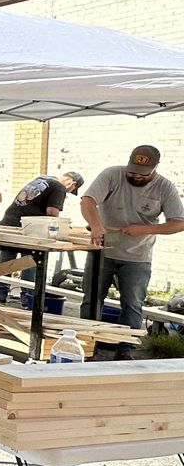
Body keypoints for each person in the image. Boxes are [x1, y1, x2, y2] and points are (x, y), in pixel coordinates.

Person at [80, 145, 184, 358]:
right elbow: (88, 200)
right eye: (132, 171)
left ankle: (124, 350)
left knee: (132, 304)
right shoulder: (112, 174)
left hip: (137, 257)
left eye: (142, 173)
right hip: (102, 252)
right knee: (91, 300)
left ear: (154, 169)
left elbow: (178, 222)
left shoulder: (164, 187)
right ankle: (87, 345)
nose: (135, 176)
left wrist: (145, 230)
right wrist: (96, 225)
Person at [0, 172, 83, 298]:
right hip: (28, 226)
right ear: (72, 183)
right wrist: (61, 226)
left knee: (7, 261)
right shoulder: (59, 187)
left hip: (9, 221)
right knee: (29, 262)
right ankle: (27, 298)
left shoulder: (42, 178)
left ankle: (0, 295)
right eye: (72, 190)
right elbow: (52, 213)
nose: (68, 192)